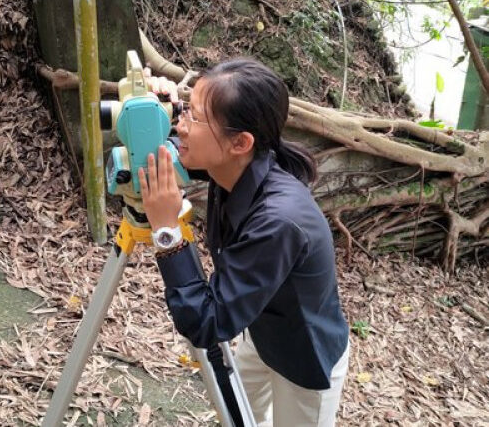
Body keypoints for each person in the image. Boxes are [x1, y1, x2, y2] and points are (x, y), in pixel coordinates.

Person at [138, 58, 350, 426]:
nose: (181, 127)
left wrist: (167, 231)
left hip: (304, 356)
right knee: (236, 417)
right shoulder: (233, 164)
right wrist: (156, 113)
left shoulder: (279, 220)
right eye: (187, 109)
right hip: (259, 331)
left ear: (241, 142)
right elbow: (178, 147)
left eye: (194, 117)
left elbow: (208, 321)